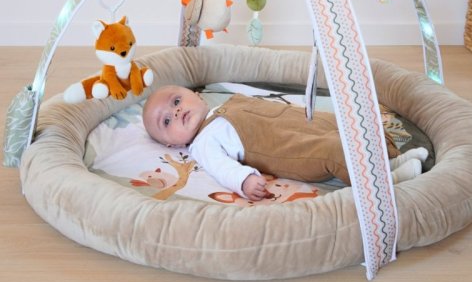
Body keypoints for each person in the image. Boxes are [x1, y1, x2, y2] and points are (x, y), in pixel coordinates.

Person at [143, 85, 428, 201]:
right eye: (166, 121)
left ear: (196, 95)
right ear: (171, 145)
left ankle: (391, 159)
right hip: (287, 148)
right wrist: (243, 180)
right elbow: (220, 167)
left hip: (301, 123)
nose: (176, 112)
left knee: (348, 128)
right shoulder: (202, 143)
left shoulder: (222, 104)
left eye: (176, 101)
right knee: (333, 151)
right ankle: (386, 181)